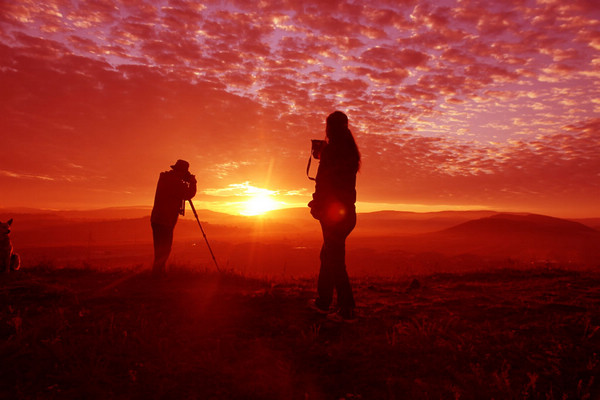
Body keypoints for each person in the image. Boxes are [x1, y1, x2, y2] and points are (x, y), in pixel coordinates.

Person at [308, 111, 360, 322]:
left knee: (335, 261)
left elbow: (324, 183)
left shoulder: (332, 152)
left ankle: (347, 310)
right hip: (348, 213)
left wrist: (316, 204)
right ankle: (323, 302)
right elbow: (339, 179)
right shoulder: (349, 150)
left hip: (333, 215)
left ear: (330, 128)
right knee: (328, 257)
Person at [151, 159, 197, 275]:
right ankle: (157, 273)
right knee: (165, 248)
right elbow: (188, 194)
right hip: (165, 220)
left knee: (160, 248)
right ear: (181, 171)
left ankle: (159, 272)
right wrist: (193, 182)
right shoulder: (174, 182)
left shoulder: (166, 178)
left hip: (157, 218)